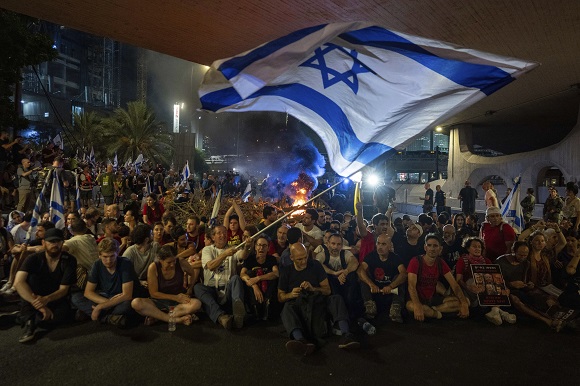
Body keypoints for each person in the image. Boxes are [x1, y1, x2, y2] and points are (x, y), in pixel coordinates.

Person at [278, 243, 359, 355]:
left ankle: (346, 334)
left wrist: (313, 288)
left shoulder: (315, 265)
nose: (304, 261)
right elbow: (280, 297)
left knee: (336, 298)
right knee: (287, 308)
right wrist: (290, 294)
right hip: (299, 305)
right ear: (292, 258)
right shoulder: (286, 271)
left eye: (305, 257)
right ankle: (300, 340)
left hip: (317, 303)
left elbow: (327, 290)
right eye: (299, 259)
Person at [13, 228, 77, 343]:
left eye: (58, 241)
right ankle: (29, 321)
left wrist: (46, 299)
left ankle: (27, 317)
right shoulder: (33, 259)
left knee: (60, 317)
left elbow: (64, 289)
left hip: (54, 298)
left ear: (63, 242)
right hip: (33, 297)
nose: (55, 244)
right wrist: (40, 305)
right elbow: (18, 282)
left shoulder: (69, 260)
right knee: (30, 281)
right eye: (51, 241)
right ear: (43, 243)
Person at [193, 225, 249, 329]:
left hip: (228, 291)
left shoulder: (233, 248)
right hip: (212, 291)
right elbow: (210, 266)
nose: (223, 235)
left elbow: (243, 255)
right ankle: (221, 317)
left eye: (224, 233)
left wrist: (247, 247)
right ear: (213, 237)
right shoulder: (207, 250)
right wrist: (224, 255)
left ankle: (238, 314)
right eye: (219, 233)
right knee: (198, 288)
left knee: (236, 278)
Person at [71, 238, 136, 327]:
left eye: (112, 256)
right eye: (105, 257)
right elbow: (88, 292)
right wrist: (107, 303)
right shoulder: (97, 264)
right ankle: (108, 318)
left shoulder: (125, 263)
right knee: (76, 298)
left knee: (128, 305)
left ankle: (94, 313)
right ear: (99, 255)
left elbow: (127, 295)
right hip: (105, 297)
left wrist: (100, 307)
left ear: (117, 253)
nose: (108, 261)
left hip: (119, 299)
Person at [131, 245, 202, 326]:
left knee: (197, 304)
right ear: (160, 260)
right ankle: (176, 319)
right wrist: (175, 297)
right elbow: (153, 293)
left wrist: (190, 288)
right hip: (159, 302)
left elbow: (192, 273)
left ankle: (158, 316)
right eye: (169, 262)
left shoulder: (181, 262)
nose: (172, 265)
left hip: (178, 303)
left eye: (174, 261)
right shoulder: (153, 267)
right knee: (136, 303)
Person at [406, 234, 469, 321]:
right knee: (410, 306)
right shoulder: (416, 261)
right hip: (416, 299)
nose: (432, 248)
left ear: (440, 248)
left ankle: (433, 312)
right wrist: (417, 304)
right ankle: (439, 314)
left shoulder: (440, 262)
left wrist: (464, 303)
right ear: (425, 247)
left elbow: (454, 284)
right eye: (429, 245)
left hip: (432, 300)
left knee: (465, 302)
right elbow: (411, 286)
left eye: (435, 246)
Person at [455, 237, 516, 325]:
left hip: (486, 291)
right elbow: (459, 280)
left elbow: (496, 278)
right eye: (474, 246)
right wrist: (468, 287)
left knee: (494, 284)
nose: (477, 249)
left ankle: (495, 311)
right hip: (470, 290)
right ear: (468, 248)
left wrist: (504, 288)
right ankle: (500, 312)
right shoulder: (463, 260)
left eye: (479, 247)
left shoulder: (486, 261)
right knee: (472, 281)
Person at [357, 234, 407, 323]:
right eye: (378, 243)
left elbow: (403, 274)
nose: (380, 247)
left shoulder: (395, 257)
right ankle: (369, 306)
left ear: (389, 246)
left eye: (383, 244)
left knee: (399, 278)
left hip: (391, 291)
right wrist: (371, 284)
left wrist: (391, 286)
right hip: (375, 289)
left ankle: (396, 308)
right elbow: (360, 270)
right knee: (363, 276)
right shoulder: (371, 256)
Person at [314, 232, 361, 318]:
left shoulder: (345, 253)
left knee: (353, 276)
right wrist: (334, 273)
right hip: (331, 284)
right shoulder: (323, 255)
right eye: (333, 243)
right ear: (328, 244)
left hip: (344, 282)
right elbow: (317, 265)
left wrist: (345, 272)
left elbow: (354, 262)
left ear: (342, 245)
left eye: (338, 244)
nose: (335, 247)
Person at [240, 234, 279, 320]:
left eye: (264, 246)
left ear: (268, 248)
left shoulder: (271, 259)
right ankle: (254, 308)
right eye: (259, 245)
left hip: (267, 289)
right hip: (253, 290)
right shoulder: (250, 259)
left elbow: (276, 273)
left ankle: (268, 305)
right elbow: (242, 274)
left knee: (271, 274)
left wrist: (259, 278)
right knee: (249, 274)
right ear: (255, 247)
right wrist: (254, 285)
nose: (261, 248)